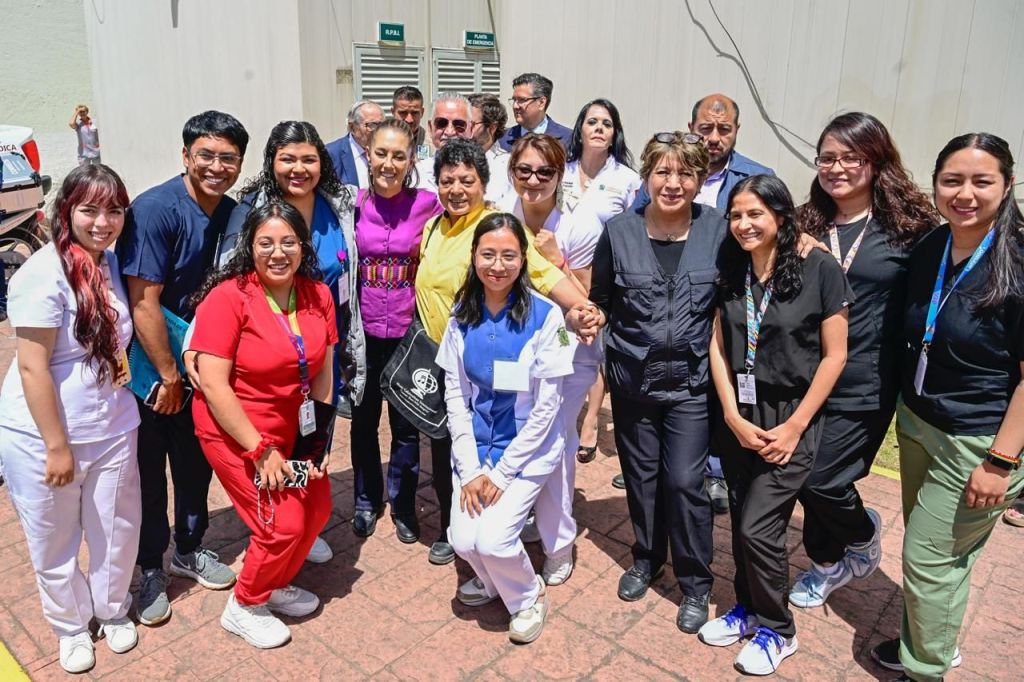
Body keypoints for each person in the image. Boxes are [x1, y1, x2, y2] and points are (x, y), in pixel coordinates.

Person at [869, 133, 1024, 682]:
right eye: (952, 180)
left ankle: (925, 667)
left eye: (982, 182)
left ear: (1007, 186)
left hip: (976, 440)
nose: (965, 193)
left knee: (928, 559)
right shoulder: (934, 246)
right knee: (941, 552)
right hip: (917, 423)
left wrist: (1001, 462)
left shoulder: (1018, 261)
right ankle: (929, 639)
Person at [415, 138, 598, 565]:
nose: (456, 189)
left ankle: (551, 544)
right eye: (447, 181)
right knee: (457, 447)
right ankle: (462, 525)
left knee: (539, 454)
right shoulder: (434, 228)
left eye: (466, 180)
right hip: (459, 366)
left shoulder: (496, 228)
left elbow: (544, 273)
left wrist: (582, 308)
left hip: (512, 368)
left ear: (484, 183)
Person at [701, 174, 850, 675]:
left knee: (758, 528)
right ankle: (746, 609)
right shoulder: (732, 267)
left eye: (756, 214)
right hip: (741, 414)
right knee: (742, 519)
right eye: (737, 215)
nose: (744, 224)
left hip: (793, 416)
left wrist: (795, 427)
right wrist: (730, 415)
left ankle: (777, 630)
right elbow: (717, 347)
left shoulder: (818, 269)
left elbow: (835, 357)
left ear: (781, 217)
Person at [789, 112, 937, 609]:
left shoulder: (909, 230)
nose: (837, 167)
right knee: (801, 477)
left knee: (823, 478)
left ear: (875, 162)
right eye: (827, 157)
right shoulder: (805, 221)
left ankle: (860, 531)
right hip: (805, 377)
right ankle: (827, 564)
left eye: (851, 157)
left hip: (866, 382)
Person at [0, 165, 140, 673]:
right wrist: (56, 445)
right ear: (66, 211)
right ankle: (71, 625)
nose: (103, 221)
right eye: (89, 209)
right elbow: (34, 365)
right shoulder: (42, 271)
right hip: (44, 435)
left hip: (113, 424)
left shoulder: (112, 263)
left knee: (117, 526)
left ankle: (112, 608)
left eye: (114, 210)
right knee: (53, 536)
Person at [116, 110, 248, 626]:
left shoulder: (233, 212)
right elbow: (142, 301)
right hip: (156, 373)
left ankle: (189, 549)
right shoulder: (156, 210)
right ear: (186, 156)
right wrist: (169, 376)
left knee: (195, 466)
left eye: (228, 158)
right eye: (206, 155)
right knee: (150, 474)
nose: (217, 166)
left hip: (201, 369)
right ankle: (151, 567)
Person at [588, 132, 722, 634]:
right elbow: (601, 297)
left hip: (690, 384)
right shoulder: (619, 231)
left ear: (700, 179)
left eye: (685, 173)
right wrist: (586, 317)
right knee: (641, 477)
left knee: (686, 482)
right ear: (646, 175)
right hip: (633, 380)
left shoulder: (718, 230)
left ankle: (696, 582)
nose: (673, 183)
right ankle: (647, 558)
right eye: (663, 172)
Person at [189, 202, 336, 649]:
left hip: (292, 427)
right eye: (266, 243)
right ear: (249, 247)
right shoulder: (229, 297)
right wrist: (260, 450)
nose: (278, 252)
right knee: (282, 525)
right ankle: (245, 604)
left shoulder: (318, 295)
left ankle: (273, 583)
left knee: (318, 508)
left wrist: (317, 444)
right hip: (235, 429)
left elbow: (324, 373)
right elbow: (213, 385)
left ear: (303, 246)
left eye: (288, 242)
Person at [218, 120, 364, 558]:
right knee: (271, 441)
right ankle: (274, 530)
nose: (298, 168)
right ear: (272, 162)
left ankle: (301, 524)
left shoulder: (340, 203)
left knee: (314, 433)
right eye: (287, 159)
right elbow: (230, 273)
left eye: (308, 159)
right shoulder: (252, 208)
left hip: (326, 343)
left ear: (322, 162)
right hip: (272, 349)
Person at [626, 94, 775, 505]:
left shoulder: (755, 177)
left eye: (723, 129)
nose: (713, 137)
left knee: (719, 393)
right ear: (691, 127)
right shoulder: (662, 177)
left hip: (724, 306)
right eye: (705, 128)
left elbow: (774, 228)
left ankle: (714, 472)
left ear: (736, 131)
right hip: (670, 313)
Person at [439, 213, 576, 644]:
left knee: (495, 541)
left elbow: (547, 409)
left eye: (509, 256)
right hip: (477, 450)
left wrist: (500, 473)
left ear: (523, 260)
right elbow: (456, 398)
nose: (497, 265)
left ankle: (527, 596)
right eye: (488, 254)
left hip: (526, 451)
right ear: (474, 256)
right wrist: (472, 467)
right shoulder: (461, 314)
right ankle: (497, 582)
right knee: (463, 540)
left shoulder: (548, 317)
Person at [498, 133, 604, 585]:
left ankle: (559, 542)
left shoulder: (581, 224)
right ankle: (526, 515)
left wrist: (554, 261)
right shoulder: (503, 215)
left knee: (556, 443)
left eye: (545, 172)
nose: (534, 180)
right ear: (512, 173)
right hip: (516, 347)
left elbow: (588, 303)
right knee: (516, 432)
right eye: (524, 170)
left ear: (560, 176)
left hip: (570, 352)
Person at [349, 117, 441, 540]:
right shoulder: (351, 204)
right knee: (364, 420)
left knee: (406, 425)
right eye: (381, 153)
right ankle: (366, 500)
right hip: (363, 331)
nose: (388, 163)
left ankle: (403, 503)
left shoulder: (428, 204)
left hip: (408, 331)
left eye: (398, 155)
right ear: (368, 153)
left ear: (411, 159)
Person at [562, 98, 641, 466]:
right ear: (580, 128)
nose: (598, 128)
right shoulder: (559, 170)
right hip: (556, 275)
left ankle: (591, 420)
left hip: (600, 279)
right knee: (562, 349)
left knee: (594, 354)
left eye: (606, 123)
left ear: (614, 134)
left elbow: (635, 232)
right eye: (591, 121)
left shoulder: (626, 180)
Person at [415, 92, 475, 194]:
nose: (449, 132)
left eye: (459, 124)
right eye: (441, 123)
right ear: (430, 128)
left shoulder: (493, 173)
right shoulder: (416, 175)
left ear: (472, 128)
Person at [499, 73, 572, 151]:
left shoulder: (568, 139)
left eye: (522, 100)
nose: (515, 106)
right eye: (514, 100)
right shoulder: (501, 139)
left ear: (541, 103)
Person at [326, 100, 385, 188]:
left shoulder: (389, 151)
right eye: (371, 125)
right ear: (352, 127)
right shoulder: (331, 154)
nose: (378, 131)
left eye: (382, 125)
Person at [468, 92, 514, 205]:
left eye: (472, 124)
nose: (464, 129)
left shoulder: (508, 166)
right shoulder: (454, 158)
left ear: (492, 128)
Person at [391, 85, 429, 160]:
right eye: (403, 113)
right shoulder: (381, 139)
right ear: (393, 112)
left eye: (414, 113)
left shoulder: (431, 142)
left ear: (422, 112)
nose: (409, 120)